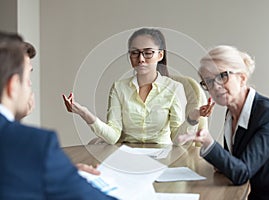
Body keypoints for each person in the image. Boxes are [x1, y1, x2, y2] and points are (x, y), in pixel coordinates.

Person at [0, 31, 116, 199]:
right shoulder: (36, 146)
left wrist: (57, 172)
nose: (30, 84)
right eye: (27, 77)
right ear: (12, 85)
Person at [180, 45, 269, 199]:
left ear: (242, 78)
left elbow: (241, 173)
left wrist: (208, 142)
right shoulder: (231, 112)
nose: (215, 86)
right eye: (208, 81)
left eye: (223, 76)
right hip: (253, 194)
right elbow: (233, 164)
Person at [63, 28, 201, 145]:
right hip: (127, 157)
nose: (141, 59)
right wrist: (84, 113)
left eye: (148, 53)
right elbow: (113, 137)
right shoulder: (119, 88)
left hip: (162, 157)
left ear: (160, 55)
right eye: (135, 53)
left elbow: (177, 140)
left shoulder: (174, 88)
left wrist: (193, 118)